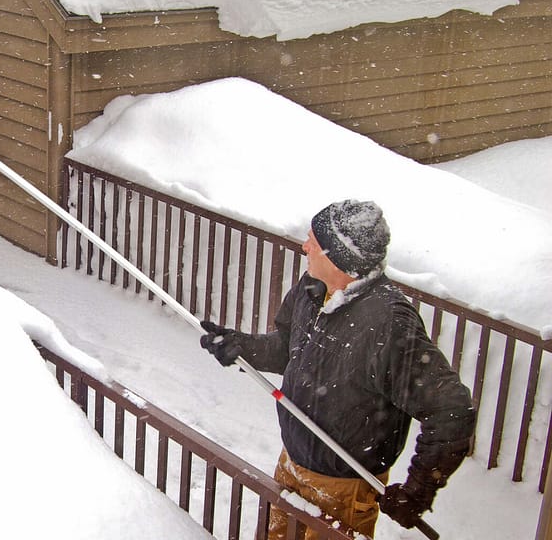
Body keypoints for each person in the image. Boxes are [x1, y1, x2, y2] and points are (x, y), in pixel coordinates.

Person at [199, 199, 476, 539]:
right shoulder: (313, 289)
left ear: (338, 255)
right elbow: (289, 347)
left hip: (344, 490)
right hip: (293, 461)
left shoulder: (388, 324)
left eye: (313, 241)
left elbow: (451, 409)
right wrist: (242, 347)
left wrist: (418, 490)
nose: (304, 247)